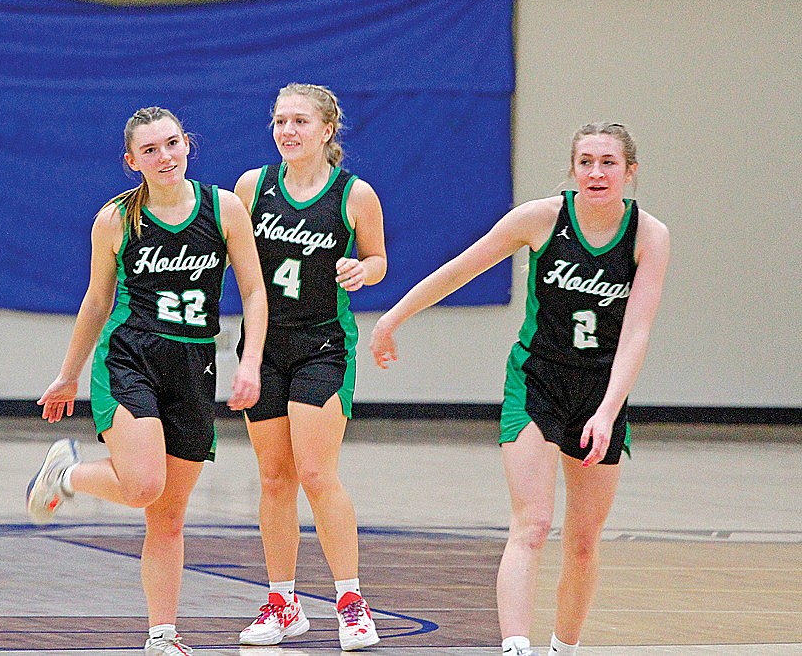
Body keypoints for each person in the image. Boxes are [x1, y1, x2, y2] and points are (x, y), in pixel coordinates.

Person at [370, 123, 670, 656]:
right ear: (572, 168)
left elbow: (637, 333)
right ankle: (515, 646)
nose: (596, 172)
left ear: (630, 172)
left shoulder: (649, 236)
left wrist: (607, 411)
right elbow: (460, 269)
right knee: (532, 523)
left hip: (601, 391)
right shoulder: (541, 218)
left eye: (608, 162)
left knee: (582, 541)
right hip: (537, 379)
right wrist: (392, 318)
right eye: (586, 161)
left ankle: (565, 646)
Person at [26, 106, 267, 656]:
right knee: (143, 486)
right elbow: (97, 300)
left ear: (189, 144)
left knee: (168, 516)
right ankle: (68, 475)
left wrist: (248, 361)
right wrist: (68, 376)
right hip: (130, 358)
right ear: (131, 161)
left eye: (172, 143)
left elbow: (254, 292)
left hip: (194, 366)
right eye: (151, 150)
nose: (165, 156)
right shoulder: (116, 219)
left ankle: (162, 637)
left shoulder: (224, 209)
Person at [233, 83, 387, 651]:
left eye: (299, 120)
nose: (287, 131)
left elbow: (378, 259)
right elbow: (224, 247)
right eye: (279, 121)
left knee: (318, 473)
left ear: (327, 130)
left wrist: (362, 272)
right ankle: (282, 602)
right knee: (275, 477)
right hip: (264, 346)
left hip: (323, 344)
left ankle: (350, 600)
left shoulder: (354, 194)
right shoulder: (253, 187)